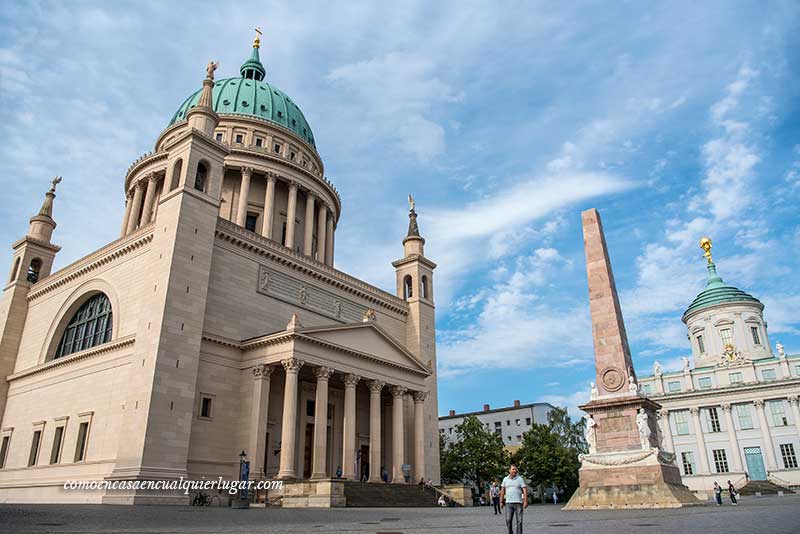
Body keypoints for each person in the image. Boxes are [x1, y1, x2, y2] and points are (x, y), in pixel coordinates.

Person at [500, 465, 528, 534]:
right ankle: (510, 532)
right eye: (513, 469)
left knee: (519, 521)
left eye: (515, 469)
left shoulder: (519, 479)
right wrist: (501, 501)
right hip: (508, 503)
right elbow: (502, 490)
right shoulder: (505, 479)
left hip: (518, 503)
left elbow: (524, 490)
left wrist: (525, 501)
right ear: (509, 471)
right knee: (508, 520)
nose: (515, 471)